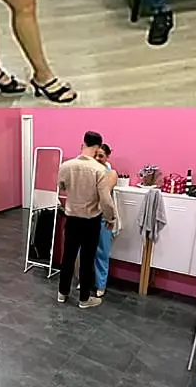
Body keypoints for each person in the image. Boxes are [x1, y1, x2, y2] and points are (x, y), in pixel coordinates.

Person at [56, 131, 117, 309]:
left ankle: (62, 293)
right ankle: (84, 299)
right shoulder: (100, 170)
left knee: (68, 256)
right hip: (91, 221)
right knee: (87, 259)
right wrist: (111, 217)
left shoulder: (66, 166)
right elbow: (105, 199)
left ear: (82, 144)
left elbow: (62, 186)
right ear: (98, 148)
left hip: (71, 218)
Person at [92, 143, 118, 298]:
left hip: (103, 217)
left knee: (102, 251)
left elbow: (104, 193)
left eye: (101, 156)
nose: (97, 158)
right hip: (88, 216)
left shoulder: (111, 173)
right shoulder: (90, 170)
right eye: (95, 155)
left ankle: (100, 284)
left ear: (107, 156)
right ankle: (85, 280)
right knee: (86, 251)